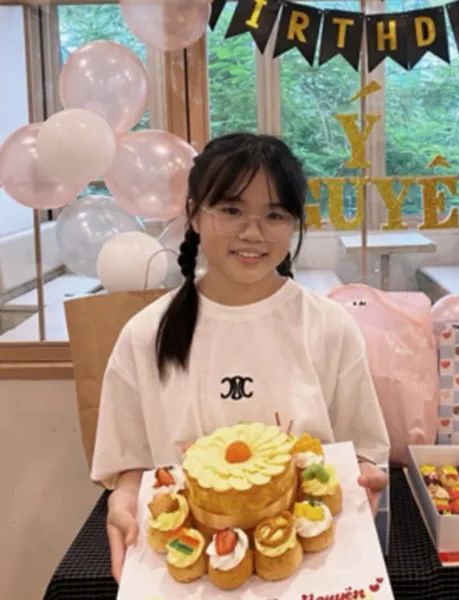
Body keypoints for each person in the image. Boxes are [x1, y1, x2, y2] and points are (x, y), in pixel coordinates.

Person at [91, 132, 390, 583]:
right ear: (195, 214)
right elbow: (128, 462)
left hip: (309, 570)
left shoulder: (329, 326)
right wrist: (123, 500)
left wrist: (368, 476)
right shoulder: (146, 334)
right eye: (231, 210)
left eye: (274, 215)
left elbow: (364, 451)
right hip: (189, 569)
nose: (253, 233)